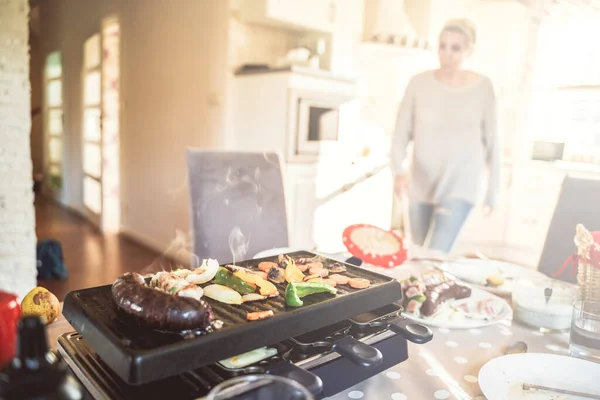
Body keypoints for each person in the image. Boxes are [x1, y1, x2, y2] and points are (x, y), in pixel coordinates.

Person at [391, 18, 499, 253]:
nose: (447, 54)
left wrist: (492, 192)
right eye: (443, 46)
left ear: (468, 51)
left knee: (435, 254)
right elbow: (400, 133)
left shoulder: (483, 87)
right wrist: (398, 171)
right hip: (421, 182)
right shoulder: (418, 83)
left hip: (461, 182)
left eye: (456, 48)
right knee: (417, 254)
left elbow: (492, 142)